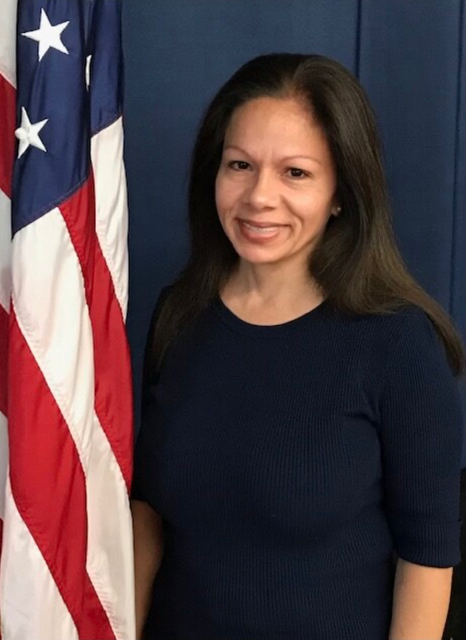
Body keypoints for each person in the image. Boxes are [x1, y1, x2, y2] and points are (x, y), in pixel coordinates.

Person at [131, 53, 465, 640]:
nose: (259, 196)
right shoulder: (179, 315)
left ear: (341, 192)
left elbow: (427, 559)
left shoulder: (398, 343)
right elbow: (148, 516)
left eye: (296, 173)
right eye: (240, 165)